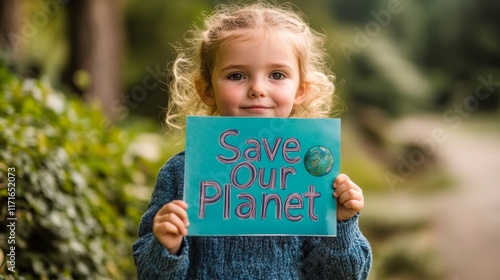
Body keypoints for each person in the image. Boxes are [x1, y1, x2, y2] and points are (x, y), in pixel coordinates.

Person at [132, 2, 372, 279]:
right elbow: (149, 273)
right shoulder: (180, 174)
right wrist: (166, 247)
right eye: (237, 75)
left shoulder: (313, 174)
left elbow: (344, 275)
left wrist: (341, 224)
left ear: (301, 90)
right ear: (206, 89)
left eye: (277, 75)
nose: (258, 89)